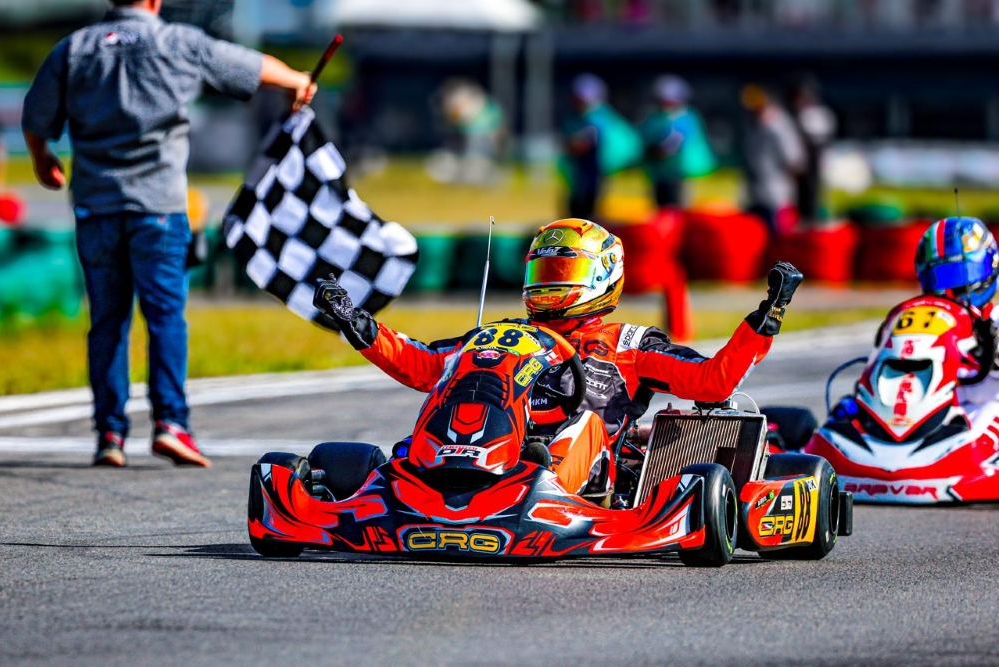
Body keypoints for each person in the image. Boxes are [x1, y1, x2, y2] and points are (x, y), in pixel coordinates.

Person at [313, 218, 803, 504]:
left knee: (582, 423)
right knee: (464, 374)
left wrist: (765, 319)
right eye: (543, 270)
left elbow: (712, 382)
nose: (549, 282)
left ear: (601, 276)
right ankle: (419, 471)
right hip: (489, 440)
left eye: (563, 271)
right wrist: (357, 323)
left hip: (581, 472)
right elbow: (422, 364)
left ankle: (533, 476)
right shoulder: (503, 334)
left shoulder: (628, 343)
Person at [22, 0, 317, 468]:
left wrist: (42, 160)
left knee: (107, 321)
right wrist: (298, 80)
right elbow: (251, 66)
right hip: (158, 207)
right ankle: (172, 425)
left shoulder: (73, 48)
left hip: (96, 206)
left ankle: (110, 435)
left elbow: (36, 118)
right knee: (165, 318)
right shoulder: (177, 42)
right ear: (155, 2)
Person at [913, 217, 999, 432]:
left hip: (986, 424)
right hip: (937, 422)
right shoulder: (924, 325)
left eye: (959, 275)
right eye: (940, 279)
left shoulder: (996, 320)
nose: (950, 289)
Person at [559, 74, 641, 220]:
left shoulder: (600, 118)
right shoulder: (575, 117)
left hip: (597, 170)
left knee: (590, 206)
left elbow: (586, 143)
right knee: (577, 205)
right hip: (581, 173)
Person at [638, 75, 716, 208]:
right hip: (664, 174)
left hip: (685, 175)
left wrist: (653, 151)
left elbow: (668, 148)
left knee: (681, 210)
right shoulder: (656, 118)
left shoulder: (684, 118)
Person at [739, 84, 806, 234]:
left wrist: (789, 178)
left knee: (780, 232)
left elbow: (793, 157)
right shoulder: (752, 125)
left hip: (777, 190)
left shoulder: (778, 124)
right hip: (756, 189)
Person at [788, 78, 836, 226]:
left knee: (815, 191)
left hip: (815, 157)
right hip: (801, 159)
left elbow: (822, 137)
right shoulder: (794, 113)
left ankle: (813, 218)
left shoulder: (817, 113)